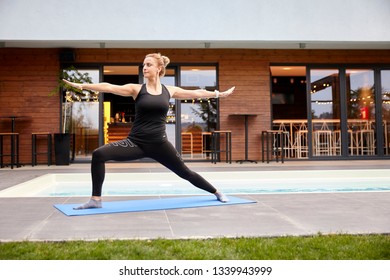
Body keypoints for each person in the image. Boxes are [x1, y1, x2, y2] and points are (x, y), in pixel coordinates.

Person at [63, 53, 235, 210]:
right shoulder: (136, 89)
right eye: (143, 65)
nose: (144, 67)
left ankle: (217, 192)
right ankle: (95, 199)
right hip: (135, 143)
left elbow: (197, 93)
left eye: (148, 64)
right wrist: (82, 85)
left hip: (160, 144)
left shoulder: (170, 90)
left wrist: (218, 94)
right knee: (99, 154)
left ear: (159, 69)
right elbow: (108, 87)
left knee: (185, 172)